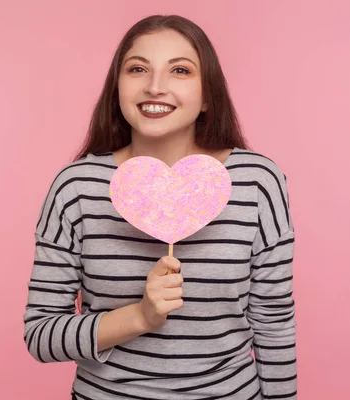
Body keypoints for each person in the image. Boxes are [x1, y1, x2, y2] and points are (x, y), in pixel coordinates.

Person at [23, 14, 297, 399]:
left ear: (207, 96)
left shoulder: (257, 183)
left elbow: (274, 324)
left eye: (180, 71)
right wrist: (140, 316)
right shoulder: (76, 187)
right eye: (137, 69)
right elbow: (40, 335)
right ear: (117, 86)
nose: (155, 87)